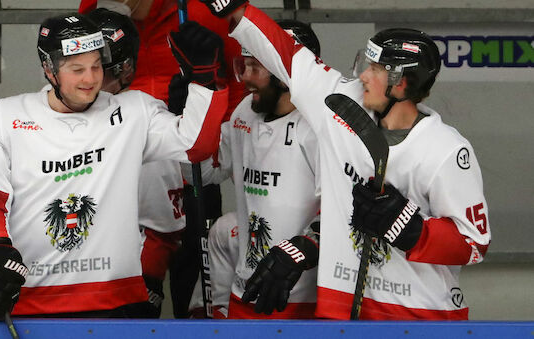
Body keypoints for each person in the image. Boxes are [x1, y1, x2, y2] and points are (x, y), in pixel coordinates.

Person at [199, 0, 491, 320]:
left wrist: (412, 230)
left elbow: (473, 244)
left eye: (375, 68)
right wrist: (236, 9)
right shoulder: (339, 104)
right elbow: (286, 54)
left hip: (421, 313)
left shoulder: (446, 150)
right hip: (349, 310)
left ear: (402, 82)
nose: (363, 75)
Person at [0, 12, 228, 318]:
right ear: (49, 69)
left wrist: (205, 81)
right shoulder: (4, 116)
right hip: (30, 300)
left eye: (96, 66)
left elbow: (196, 146)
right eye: (77, 69)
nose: (90, 79)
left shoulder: (134, 110)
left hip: (118, 301)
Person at [79, 0, 247, 317]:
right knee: (130, 277)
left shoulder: (198, 10)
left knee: (195, 273)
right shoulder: (95, 7)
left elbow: (236, 77)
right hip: (126, 159)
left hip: (192, 157)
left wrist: (223, 143)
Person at [185, 19, 322, 319]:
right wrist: (191, 116)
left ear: (289, 74)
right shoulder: (245, 109)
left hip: (298, 298)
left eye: (255, 68)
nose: (244, 77)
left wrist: (302, 250)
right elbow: (205, 173)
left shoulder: (320, 128)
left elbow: (343, 211)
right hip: (243, 293)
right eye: (242, 65)